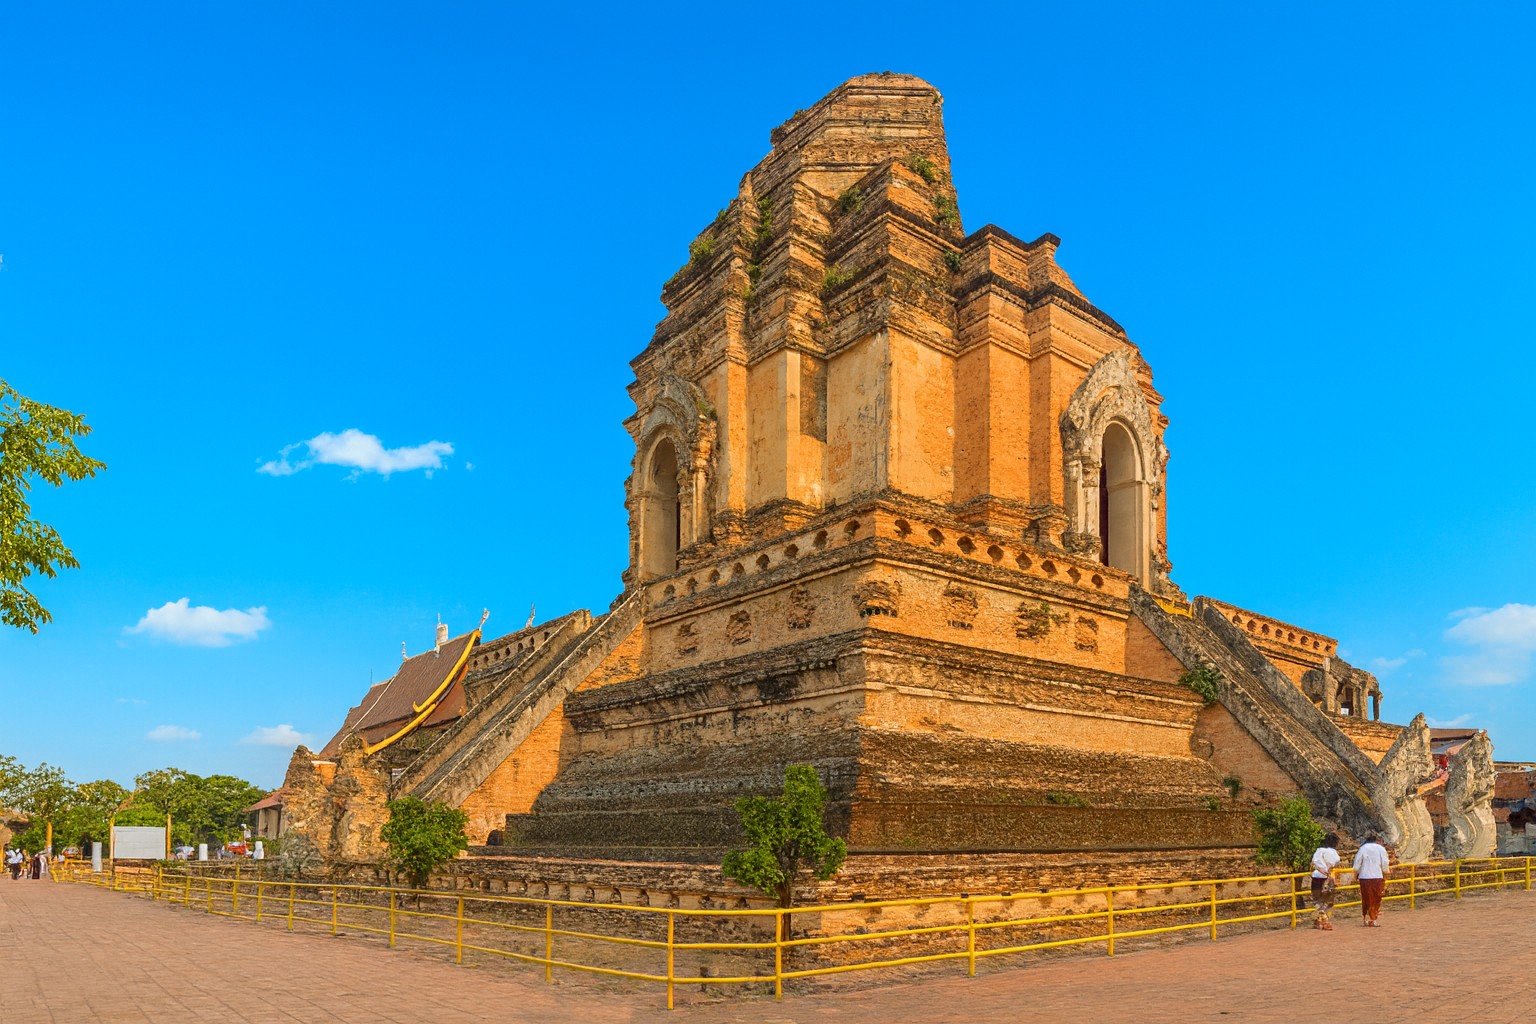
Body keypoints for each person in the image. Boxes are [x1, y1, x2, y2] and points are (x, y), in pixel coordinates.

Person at [1353, 831, 1391, 927]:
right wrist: (1385, 872)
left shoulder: (1362, 849)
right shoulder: (1380, 849)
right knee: (1376, 898)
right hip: (1377, 876)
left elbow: (1357, 864)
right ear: (1376, 840)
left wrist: (1356, 873)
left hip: (1365, 877)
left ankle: (1366, 918)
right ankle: (1373, 918)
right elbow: (1385, 863)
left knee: (1366, 898)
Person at [1310, 832, 1341, 930]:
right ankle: (1325, 921)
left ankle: (1318, 920)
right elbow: (1334, 863)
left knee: (1317, 900)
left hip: (1316, 877)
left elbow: (1313, 863)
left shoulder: (1318, 851)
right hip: (1326, 878)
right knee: (1327, 900)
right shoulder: (1332, 852)